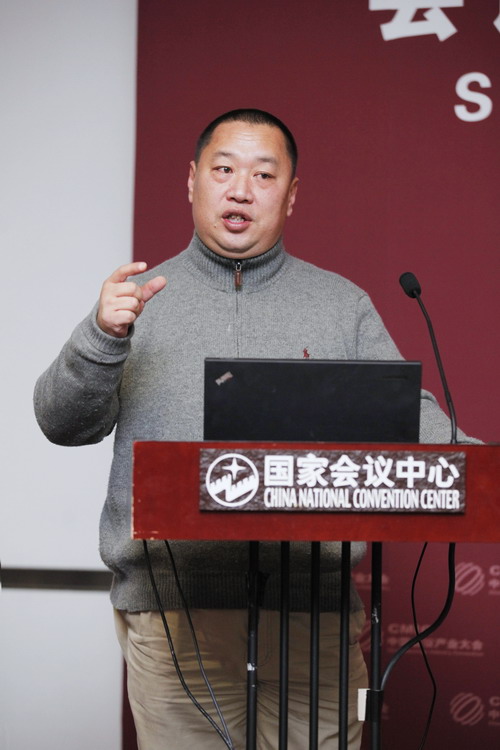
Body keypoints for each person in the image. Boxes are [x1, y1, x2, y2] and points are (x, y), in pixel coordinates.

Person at [34, 109, 474, 750]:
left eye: (264, 175)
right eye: (224, 170)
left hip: (315, 621)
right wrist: (101, 337)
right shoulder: (135, 301)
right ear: (192, 181)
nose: (241, 190)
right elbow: (60, 423)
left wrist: (480, 466)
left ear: (291, 195)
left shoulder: (340, 304)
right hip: (174, 616)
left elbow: (408, 418)